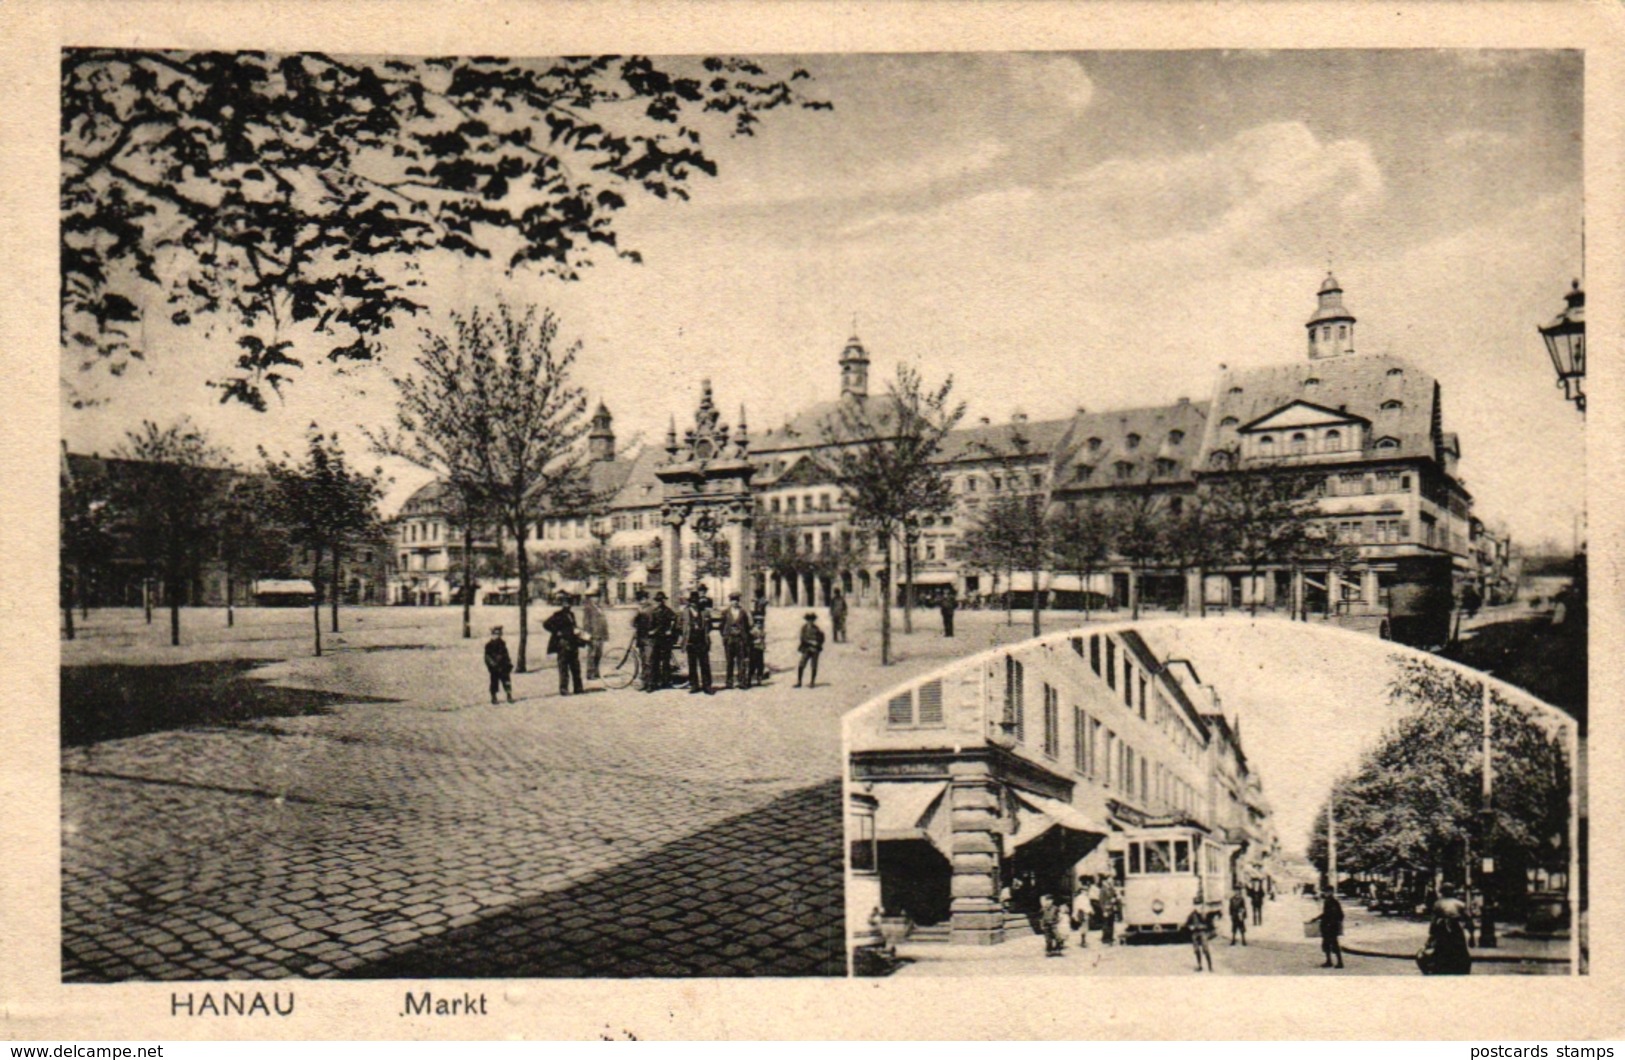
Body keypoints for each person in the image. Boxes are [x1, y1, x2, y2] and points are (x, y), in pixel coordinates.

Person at [1421, 883, 1474, 975]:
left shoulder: (1438, 903)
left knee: (1442, 948)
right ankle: (1459, 967)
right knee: (1459, 948)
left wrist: (1431, 933)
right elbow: (1468, 919)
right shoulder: (1460, 903)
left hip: (1442, 928)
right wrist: (1471, 935)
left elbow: (1434, 920)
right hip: (1455, 927)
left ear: (1442, 892)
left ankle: (1442, 966)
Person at [543, 595, 585, 696]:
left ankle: (578, 688)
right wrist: (556, 632)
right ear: (562, 604)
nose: (568, 605)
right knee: (564, 667)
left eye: (569, 603)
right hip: (563, 644)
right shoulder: (558, 615)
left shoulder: (571, 615)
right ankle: (563, 689)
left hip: (573, 643)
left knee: (575, 666)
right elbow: (546, 624)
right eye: (566, 603)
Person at [681, 588, 715, 694]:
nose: (694, 604)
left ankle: (707, 686)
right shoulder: (685, 612)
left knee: (705, 664)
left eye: (696, 602)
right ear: (690, 603)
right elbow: (679, 624)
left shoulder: (704, 612)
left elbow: (710, 626)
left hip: (702, 641)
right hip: (690, 641)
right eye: (692, 602)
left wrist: (704, 631)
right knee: (692, 664)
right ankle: (694, 685)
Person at [720, 591, 754, 689]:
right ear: (730, 601)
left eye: (736, 600)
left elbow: (746, 626)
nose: (735, 602)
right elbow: (721, 626)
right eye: (733, 600)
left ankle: (742, 682)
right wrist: (725, 636)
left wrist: (744, 636)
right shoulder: (725, 612)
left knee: (741, 661)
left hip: (740, 640)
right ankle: (729, 682)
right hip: (729, 639)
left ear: (739, 601)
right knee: (729, 662)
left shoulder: (743, 612)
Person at [648, 591, 678, 692]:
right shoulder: (654, 611)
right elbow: (651, 625)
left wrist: (670, 629)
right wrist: (651, 631)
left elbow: (675, 619)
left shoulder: (668, 611)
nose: (660, 602)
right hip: (656, 639)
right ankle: (653, 683)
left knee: (666, 661)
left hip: (665, 639)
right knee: (654, 661)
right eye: (658, 600)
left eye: (661, 600)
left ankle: (666, 682)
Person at [582, 593, 610, 681]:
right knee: (592, 654)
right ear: (590, 598)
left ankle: (596, 672)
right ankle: (590, 673)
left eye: (598, 597)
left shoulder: (599, 608)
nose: (596, 599)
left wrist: (605, 635)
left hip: (600, 634)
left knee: (599, 654)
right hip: (593, 635)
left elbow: (603, 622)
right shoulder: (588, 608)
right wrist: (587, 635)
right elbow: (586, 622)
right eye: (594, 597)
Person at [483, 625, 514, 704]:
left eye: (499, 633)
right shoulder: (489, 645)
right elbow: (487, 657)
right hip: (494, 668)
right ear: (493, 634)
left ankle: (509, 695)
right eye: (496, 633)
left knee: (506, 681)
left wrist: (508, 663)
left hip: (503, 666)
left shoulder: (502, 644)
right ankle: (493, 697)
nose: (498, 635)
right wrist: (492, 664)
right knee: (494, 682)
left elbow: (506, 655)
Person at [632, 589, 655, 690]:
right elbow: (633, 623)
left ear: (646, 599)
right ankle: (645, 682)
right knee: (643, 661)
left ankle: (650, 684)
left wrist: (653, 631)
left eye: (643, 599)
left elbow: (655, 622)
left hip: (649, 638)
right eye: (640, 600)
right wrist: (637, 614)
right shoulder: (639, 610)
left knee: (648, 661)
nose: (642, 601)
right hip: (641, 638)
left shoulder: (651, 609)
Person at [796, 611, 825, 688]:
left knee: (814, 665)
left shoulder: (817, 629)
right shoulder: (804, 628)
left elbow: (821, 638)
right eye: (809, 620)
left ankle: (812, 682)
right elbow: (802, 638)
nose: (810, 621)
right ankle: (799, 682)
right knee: (801, 664)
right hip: (806, 648)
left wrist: (818, 643)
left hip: (815, 649)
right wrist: (811, 642)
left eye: (812, 620)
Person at [1184, 899, 1214, 972]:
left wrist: (1206, 928)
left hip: (1203, 933)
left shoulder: (1205, 914)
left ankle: (1210, 966)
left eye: (1199, 905)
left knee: (1205, 950)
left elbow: (1211, 925)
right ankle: (1199, 965)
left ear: (1201, 905)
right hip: (1195, 933)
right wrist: (1190, 927)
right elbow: (1186, 924)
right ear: (1194, 906)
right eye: (1196, 905)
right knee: (1196, 950)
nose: (1198, 907)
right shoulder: (1192, 915)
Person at [1318, 890, 1346, 969]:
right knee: (1326, 944)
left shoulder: (1332, 902)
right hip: (1328, 926)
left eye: (1326, 892)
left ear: (1330, 892)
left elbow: (1336, 915)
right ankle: (1329, 961)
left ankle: (1339, 962)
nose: (1325, 893)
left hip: (1331, 926)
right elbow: (1326, 914)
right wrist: (1316, 918)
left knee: (1334, 944)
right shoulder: (1328, 901)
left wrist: (1332, 923)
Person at [1098, 876, 1119, 945]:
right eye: (1110, 881)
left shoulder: (1112, 889)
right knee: (1106, 924)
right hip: (1106, 908)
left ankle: (1110, 937)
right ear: (1107, 882)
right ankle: (1105, 938)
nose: (1111, 883)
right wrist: (1103, 910)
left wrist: (1115, 899)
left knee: (1111, 923)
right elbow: (1101, 901)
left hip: (1111, 908)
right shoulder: (1103, 890)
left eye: (1112, 882)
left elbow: (1115, 896)